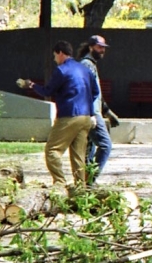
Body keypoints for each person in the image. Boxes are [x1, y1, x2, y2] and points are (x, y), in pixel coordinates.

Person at [19, 40, 99, 190]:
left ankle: (59, 183)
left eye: (55, 55)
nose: (54, 59)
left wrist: (31, 85)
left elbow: (47, 91)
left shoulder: (61, 70)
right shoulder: (84, 69)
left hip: (69, 116)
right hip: (86, 117)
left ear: (61, 53)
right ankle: (80, 188)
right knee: (78, 155)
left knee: (52, 150)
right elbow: (95, 92)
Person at [76, 35, 119, 183]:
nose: (102, 50)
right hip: (91, 113)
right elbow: (84, 91)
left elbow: (96, 93)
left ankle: (84, 184)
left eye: (103, 48)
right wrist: (91, 114)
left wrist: (107, 112)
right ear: (90, 47)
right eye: (99, 47)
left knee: (89, 149)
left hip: (92, 111)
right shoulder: (87, 65)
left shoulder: (90, 64)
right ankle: (90, 181)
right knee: (105, 146)